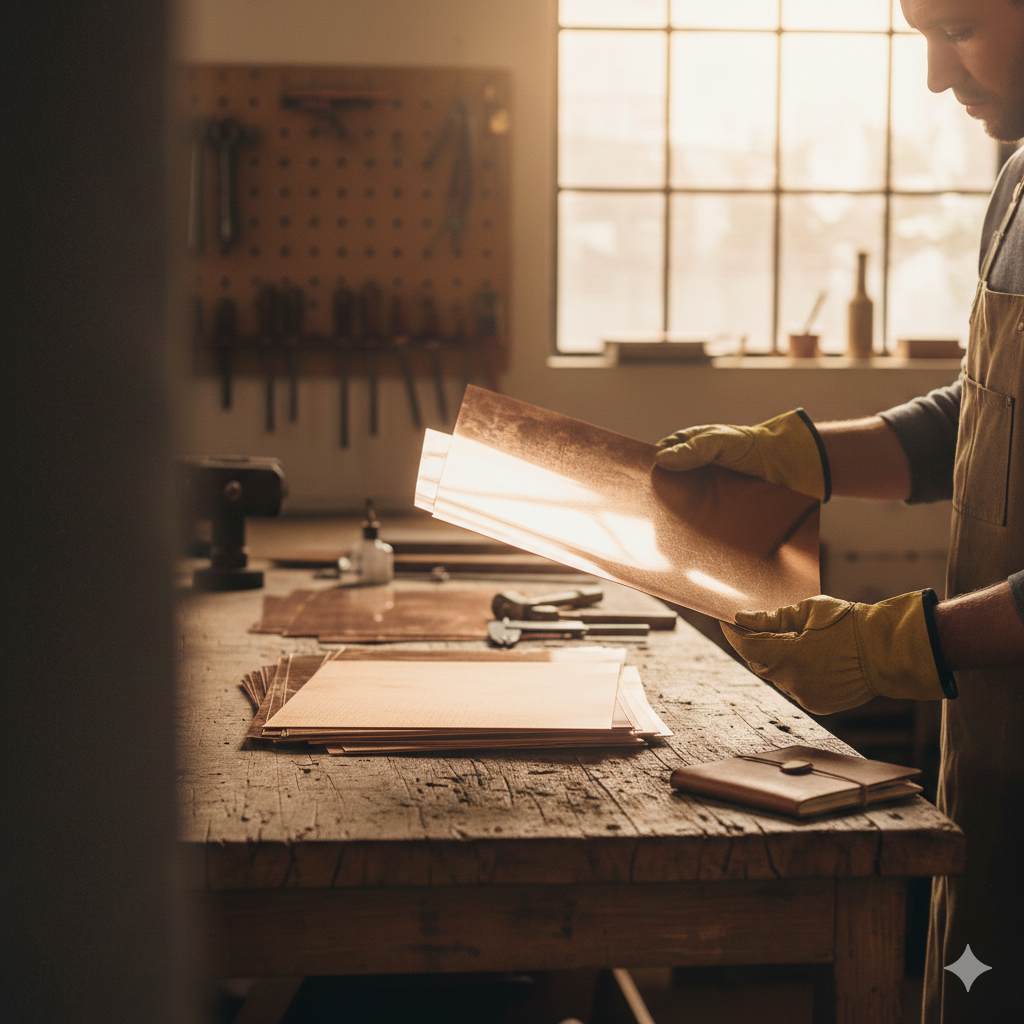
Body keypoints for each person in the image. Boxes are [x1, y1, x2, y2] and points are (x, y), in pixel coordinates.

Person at [654, 2, 1024, 1020]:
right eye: (921, 34)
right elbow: (985, 413)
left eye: (959, 27)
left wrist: (898, 644)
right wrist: (802, 458)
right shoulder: (1017, 181)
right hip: (997, 743)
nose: (936, 76)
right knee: (979, 985)